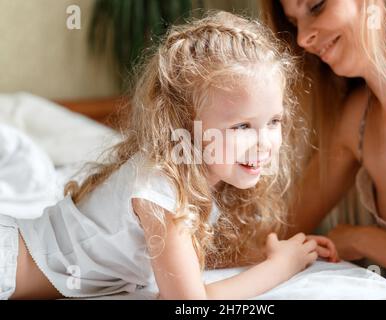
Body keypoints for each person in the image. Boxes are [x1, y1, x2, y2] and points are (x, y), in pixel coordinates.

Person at [0, 11, 338, 300]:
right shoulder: (161, 190)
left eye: (274, 121)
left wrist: (263, 252)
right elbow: (187, 300)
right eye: (242, 127)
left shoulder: (199, 179)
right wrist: (280, 266)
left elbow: (185, 262)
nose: (264, 142)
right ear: (186, 125)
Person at [261, 0, 386, 295]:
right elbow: (279, 230)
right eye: (295, 23)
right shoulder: (354, 122)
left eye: (316, 6)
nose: (302, 38)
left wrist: (363, 239)